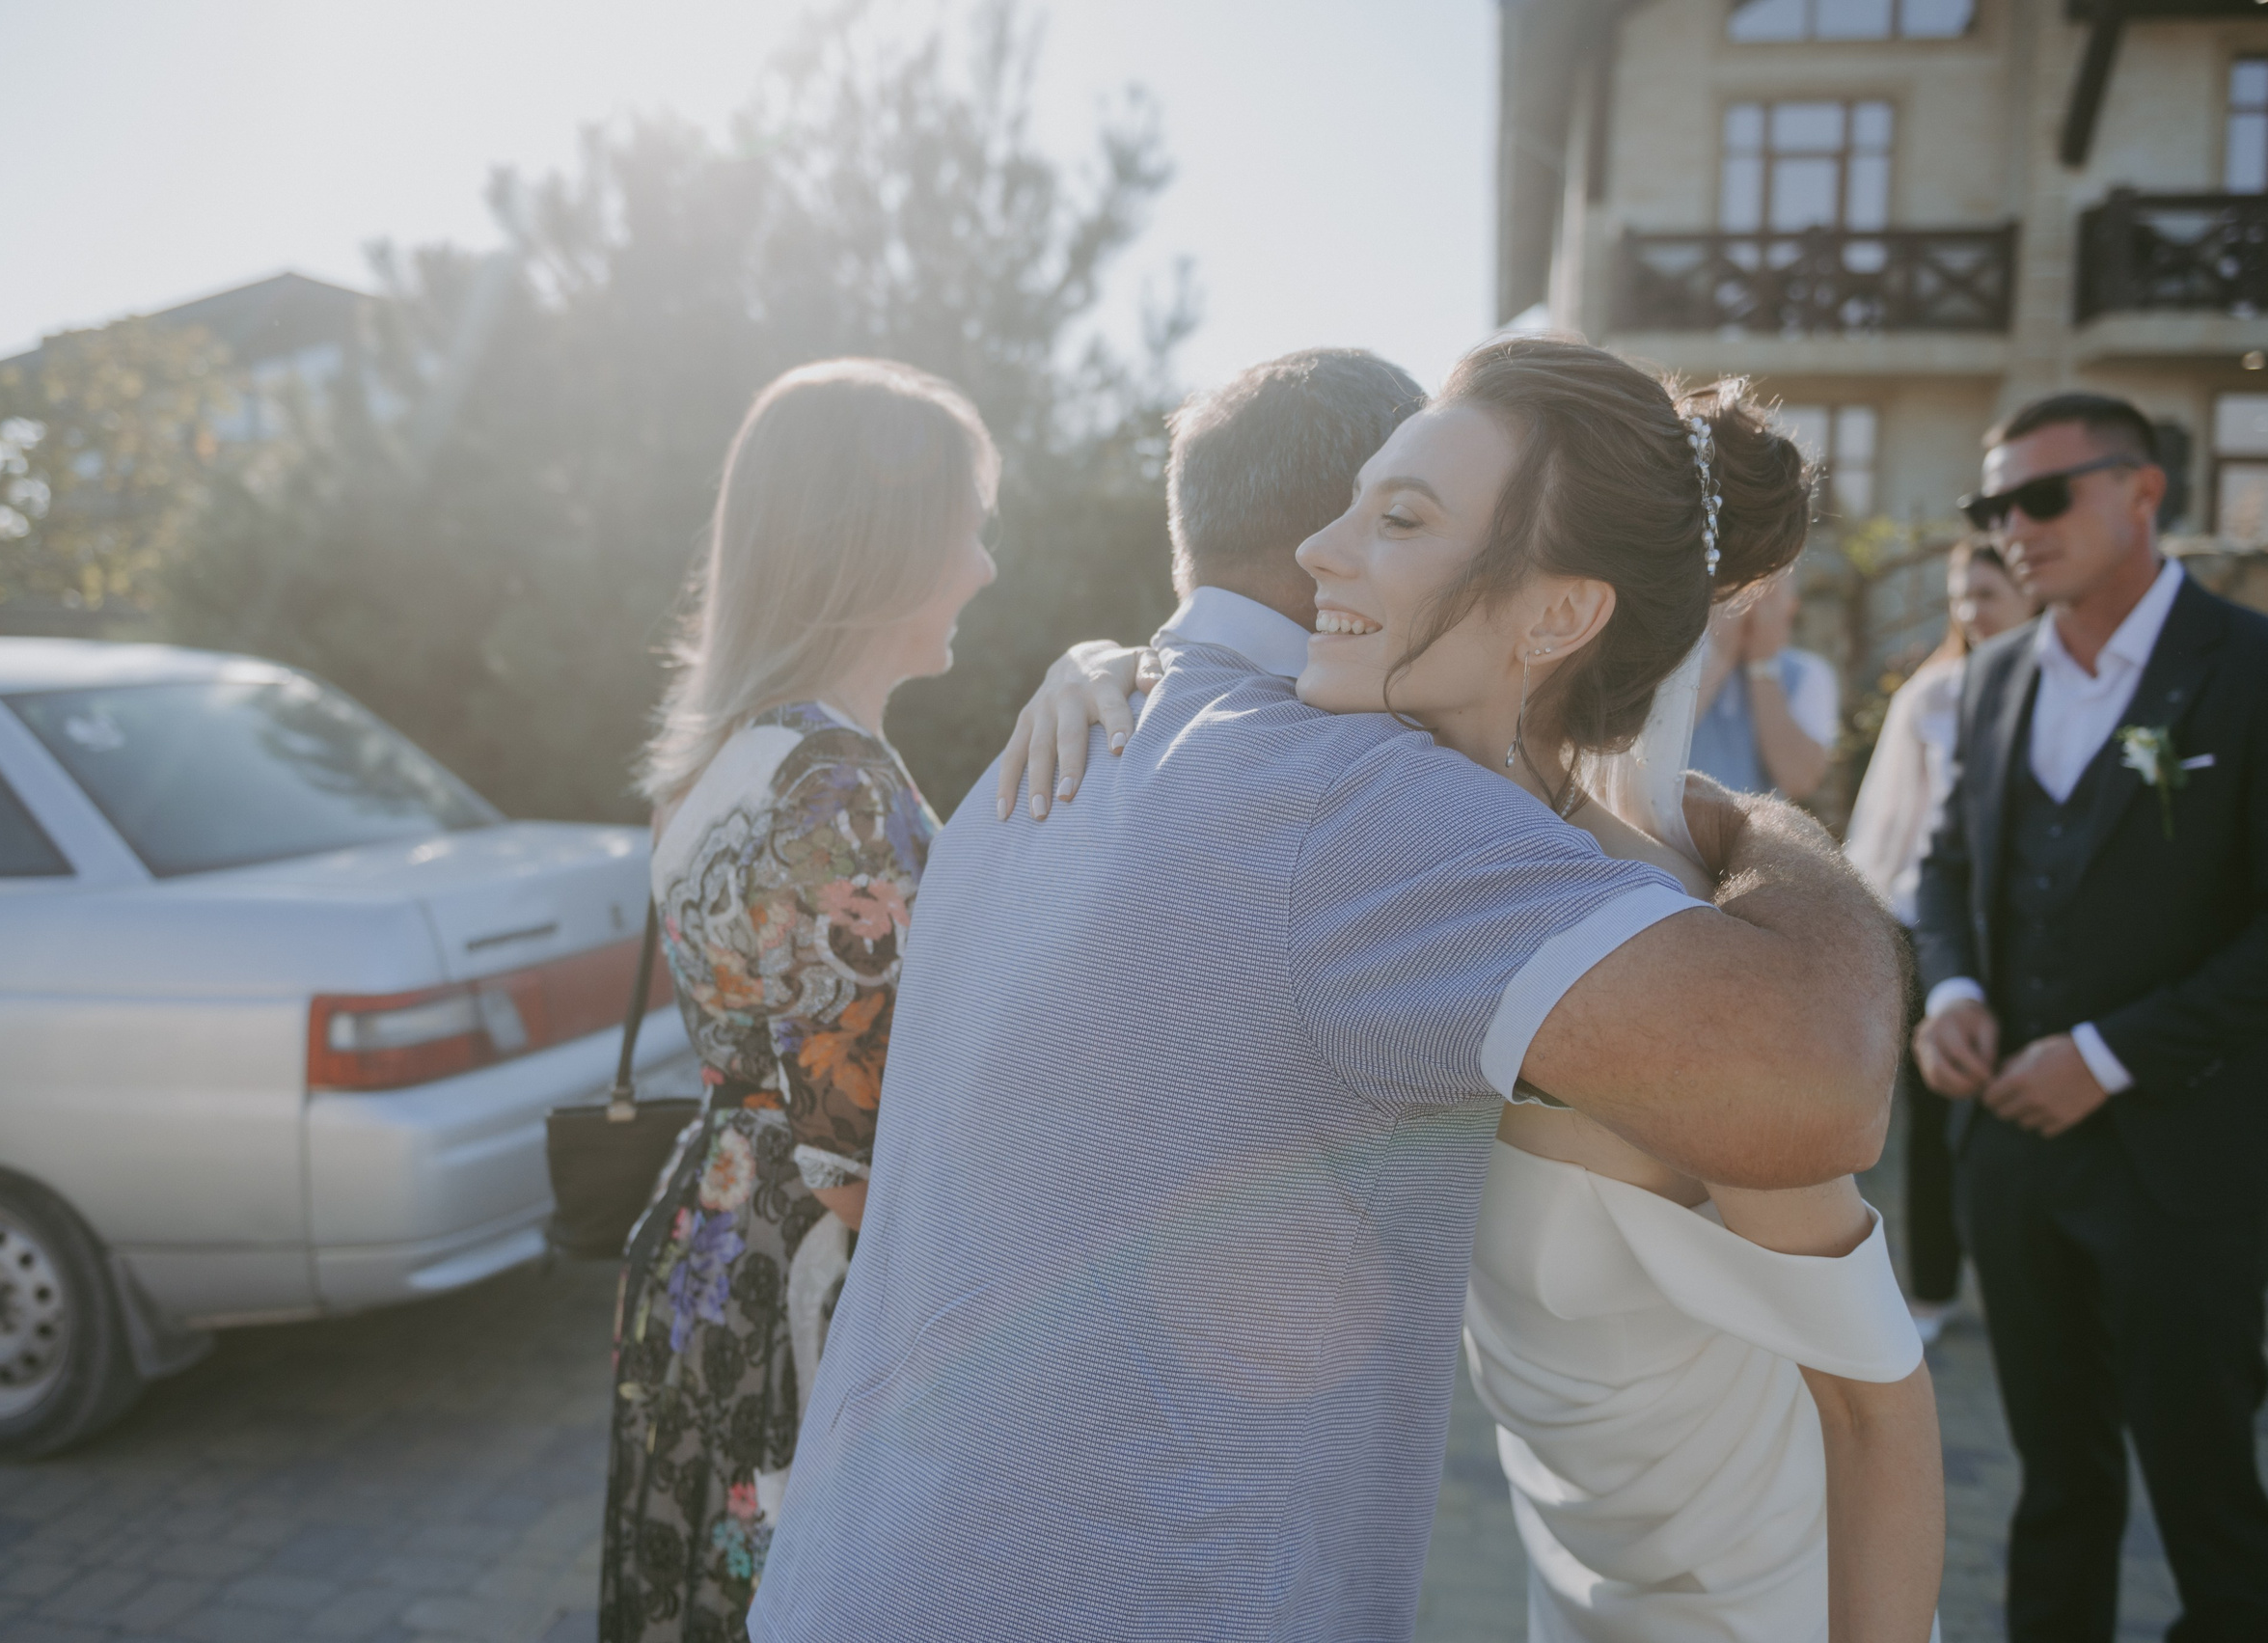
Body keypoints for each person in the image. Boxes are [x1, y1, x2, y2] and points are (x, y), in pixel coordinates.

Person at [750, 343, 1911, 1642]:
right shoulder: (1363, 809)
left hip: (840, 1576)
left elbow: (1846, 1228)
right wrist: (1758, 827)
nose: (1330, 553)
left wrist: (1721, 826)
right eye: (1356, 506)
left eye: (1399, 515)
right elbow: (1823, 1063)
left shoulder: (1024, 781)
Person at [599, 358, 999, 1642]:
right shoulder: (834, 780)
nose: (984, 567)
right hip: (813, 1295)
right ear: (886, 544)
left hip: (714, 1243)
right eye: (969, 528)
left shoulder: (715, 757)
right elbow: (860, 1152)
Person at [1914, 392, 2268, 1640]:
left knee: (2210, 1497)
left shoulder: (2258, 668)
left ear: (2143, 491)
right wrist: (1951, 991)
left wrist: (2110, 1054)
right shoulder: (1992, 675)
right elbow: (1946, 868)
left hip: (2184, 1162)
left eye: (2043, 496)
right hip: (2014, 1156)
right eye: (1992, 505)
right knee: (2055, 1484)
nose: (2013, 527)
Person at [1844, 539, 2036, 1340]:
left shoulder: (2064, 688)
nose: (1968, 610)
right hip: (1933, 930)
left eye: (1986, 592)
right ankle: (1930, 1288)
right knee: (1932, 1122)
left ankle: (2028, 1280)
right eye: (1960, 594)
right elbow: (1888, 821)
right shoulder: (1931, 695)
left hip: (2032, 935)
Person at [1688, 565, 1840, 798]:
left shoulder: (1809, 674)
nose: (1752, 609)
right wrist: (1720, 657)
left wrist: (1763, 664)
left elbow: (1800, 780)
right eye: (1741, 594)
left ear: (1791, 606)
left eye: (1768, 595)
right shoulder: (1684, 663)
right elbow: (1650, 747)